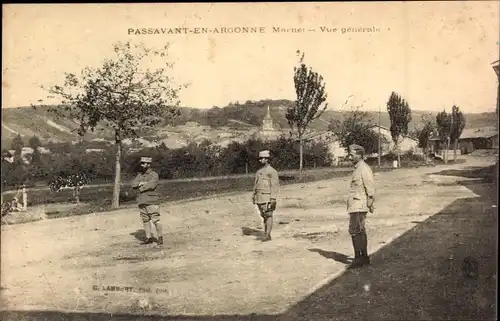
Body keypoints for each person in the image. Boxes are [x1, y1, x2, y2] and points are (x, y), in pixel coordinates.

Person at [346, 144, 375, 268]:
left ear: (359, 155)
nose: (349, 157)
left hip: (359, 205)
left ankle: (358, 259)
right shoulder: (358, 168)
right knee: (360, 231)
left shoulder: (363, 168)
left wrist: (370, 203)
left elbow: (370, 187)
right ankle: (364, 257)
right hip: (356, 205)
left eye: (351, 155)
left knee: (355, 231)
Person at [131, 157, 163, 245]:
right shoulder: (140, 175)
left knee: (155, 220)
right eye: (141, 163)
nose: (142, 165)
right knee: (145, 220)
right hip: (141, 200)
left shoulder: (154, 175)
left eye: (144, 163)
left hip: (151, 200)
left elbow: (151, 185)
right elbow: (133, 184)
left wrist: (140, 187)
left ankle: (160, 237)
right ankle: (148, 238)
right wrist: (140, 183)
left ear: (149, 164)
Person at [252, 150, 280, 242]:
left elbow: (275, 186)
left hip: (267, 197)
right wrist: (254, 196)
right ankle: (266, 233)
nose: (260, 160)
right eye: (259, 159)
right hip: (259, 197)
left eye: (262, 158)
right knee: (264, 215)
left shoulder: (272, 171)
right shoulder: (259, 172)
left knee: (268, 215)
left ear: (267, 159)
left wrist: (273, 198)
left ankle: (267, 235)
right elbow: (256, 185)